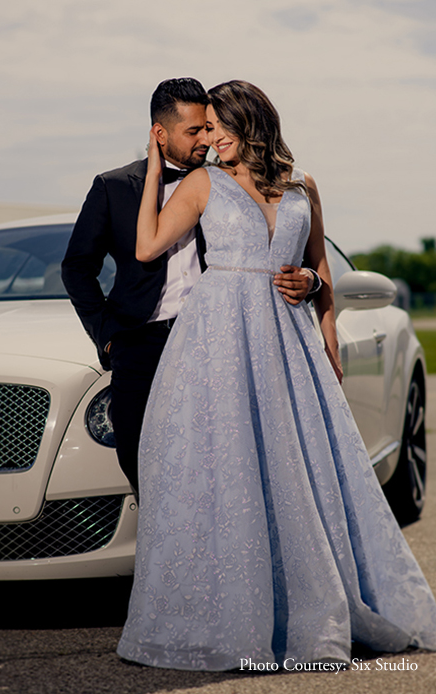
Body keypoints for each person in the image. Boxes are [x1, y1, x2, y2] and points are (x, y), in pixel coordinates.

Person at [117, 80, 436, 670]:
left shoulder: (301, 185)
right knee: (225, 471)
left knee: (303, 470)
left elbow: (319, 269)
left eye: (216, 127)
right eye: (204, 129)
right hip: (215, 345)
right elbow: (145, 247)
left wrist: (321, 309)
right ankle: (227, 614)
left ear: (247, 124)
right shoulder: (200, 183)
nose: (208, 138)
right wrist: (156, 174)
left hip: (289, 345)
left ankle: (313, 605)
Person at [61, 78, 315, 495]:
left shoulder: (228, 184)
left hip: (217, 343)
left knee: (222, 470)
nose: (208, 140)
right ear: (159, 134)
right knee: (142, 464)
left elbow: (280, 248)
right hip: (140, 343)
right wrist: (107, 336)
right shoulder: (114, 187)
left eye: (209, 128)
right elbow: (76, 267)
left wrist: (310, 278)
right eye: (195, 131)